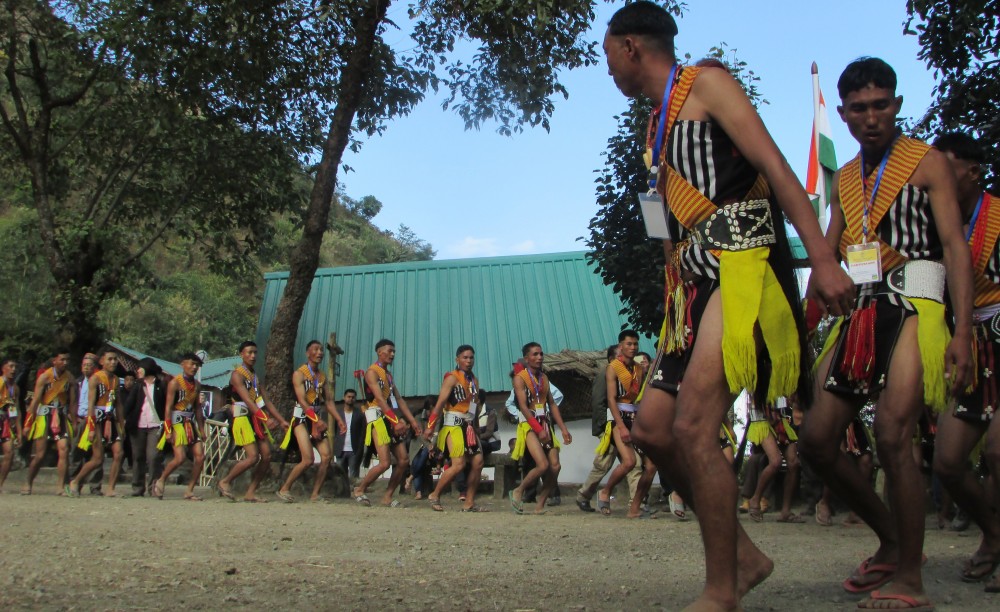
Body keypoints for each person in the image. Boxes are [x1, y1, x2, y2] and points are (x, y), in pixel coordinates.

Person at [603, 3, 854, 608]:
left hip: (741, 268)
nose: (607, 67)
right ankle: (743, 555)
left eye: (608, 53)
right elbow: (662, 213)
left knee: (692, 426)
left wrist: (821, 257)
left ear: (631, 45)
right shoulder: (654, 129)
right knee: (656, 431)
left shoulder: (709, 83)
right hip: (689, 287)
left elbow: (776, 166)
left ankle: (722, 590)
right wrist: (663, 245)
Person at [799, 58, 973, 610]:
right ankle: (893, 541)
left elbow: (956, 250)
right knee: (817, 441)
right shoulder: (845, 178)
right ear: (845, 115)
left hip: (919, 304)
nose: (872, 117)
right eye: (860, 108)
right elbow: (828, 248)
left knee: (895, 435)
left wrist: (962, 333)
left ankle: (911, 580)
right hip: (861, 312)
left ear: (897, 104)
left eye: (882, 105)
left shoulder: (928, 165)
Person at [929, 132, 1000, 587]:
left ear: (972, 171)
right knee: (948, 462)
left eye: (946, 166)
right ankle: (994, 537)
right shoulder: (937, 223)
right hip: (970, 342)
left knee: (997, 452)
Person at [216, 341, 289, 503]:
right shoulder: (237, 375)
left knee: (267, 456)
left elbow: (265, 401)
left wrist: (281, 420)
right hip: (242, 419)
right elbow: (248, 401)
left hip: (255, 419)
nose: (253, 356)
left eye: (255, 352)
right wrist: (266, 418)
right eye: (249, 352)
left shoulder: (255, 377)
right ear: (241, 354)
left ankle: (250, 492)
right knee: (252, 457)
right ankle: (225, 481)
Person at [352, 339, 422, 508]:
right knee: (384, 462)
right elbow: (380, 400)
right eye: (389, 351)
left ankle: (388, 496)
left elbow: (398, 399)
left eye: (394, 351)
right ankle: (359, 489)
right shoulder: (372, 372)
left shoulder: (388, 376)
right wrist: (395, 420)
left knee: (403, 460)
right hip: (378, 419)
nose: (392, 354)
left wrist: (413, 422)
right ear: (379, 352)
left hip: (389, 419)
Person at [277, 340, 347, 503]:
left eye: (321, 350)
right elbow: (302, 400)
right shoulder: (299, 374)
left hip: (316, 417)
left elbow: (328, 401)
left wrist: (339, 419)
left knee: (326, 456)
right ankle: (285, 488)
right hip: (302, 419)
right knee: (308, 459)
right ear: (308, 353)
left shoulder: (322, 376)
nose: (320, 352)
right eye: (315, 349)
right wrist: (315, 420)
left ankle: (315, 494)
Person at [595, 330, 655, 518]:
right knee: (629, 462)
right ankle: (605, 492)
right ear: (621, 346)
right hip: (618, 418)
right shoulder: (613, 367)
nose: (633, 347)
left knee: (652, 466)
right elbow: (611, 399)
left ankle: (635, 507)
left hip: (636, 418)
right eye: (629, 344)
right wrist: (620, 426)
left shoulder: (638, 368)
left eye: (635, 344)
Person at [422, 345, 489, 512]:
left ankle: (469, 502)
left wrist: (474, 425)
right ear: (457, 359)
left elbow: (474, 404)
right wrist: (430, 426)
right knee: (458, 464)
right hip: (453, 424)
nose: (469, 361)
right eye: (465, 357)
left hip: (468, 425)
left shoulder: (474, 380)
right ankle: (435, 494)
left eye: (471, 357)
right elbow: (439, 404)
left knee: (478, 462)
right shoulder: (452, 378)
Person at [509, 342, 572, 514]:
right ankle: (519, 490)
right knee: (542, 465)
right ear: (527, 358)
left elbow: (551, 404)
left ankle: (540, 504)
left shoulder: (544, 378)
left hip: (545, 423)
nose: (539, 357)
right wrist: (538, 429)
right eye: (535, 354)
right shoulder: (520, 378)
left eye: (541, 354)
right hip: (529, 426)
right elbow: (523, 407)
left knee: (555, 466)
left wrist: (563, 428)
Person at [577, 345, 642, 512]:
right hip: (609, 426)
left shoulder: (631, 376)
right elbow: (599, 402)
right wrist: (602, 428)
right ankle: (584, 494)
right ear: (612, 359)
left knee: (634, 465)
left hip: (626, 424)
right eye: (620, 356)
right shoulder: (605, 374)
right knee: (603, 464)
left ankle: (637, 503)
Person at [69, 349, 126, 497]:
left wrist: (121, 424)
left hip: (110, 420)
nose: (113, 362)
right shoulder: (96, 379)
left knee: (119, 453)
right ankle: (75, 481)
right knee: (97, 458)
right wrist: (91, 427)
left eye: (115, 359)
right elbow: (90, 405)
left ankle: (110, 488)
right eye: (110, 359)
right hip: (97, 420)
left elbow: (118, 404)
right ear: (102, 362)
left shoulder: (115, 379)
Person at [152, 353, 206, 501]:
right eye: (191, 364)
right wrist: (169, 430)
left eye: (197, 365)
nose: (194, 367)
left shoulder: (197, 385)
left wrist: (201, 428)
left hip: (191, 424)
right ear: (183, 364)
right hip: (177, 424)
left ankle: (189, 490)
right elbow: (168, 408)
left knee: (200, 457)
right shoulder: (175, 383)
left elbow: (197, 409)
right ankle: (162, 479)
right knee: (180, 457)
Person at [744, 397, 803, 523]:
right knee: (775, 461)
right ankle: (755, 499)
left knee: (794, 463)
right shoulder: (759, 377)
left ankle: (785, 511)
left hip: (780, 418)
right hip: (761, 419)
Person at [23, 349, 72, 495]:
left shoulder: (69, 378)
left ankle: (60, 486)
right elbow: (35, 402)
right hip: (45, 416)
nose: (65, 363)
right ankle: (28, 482)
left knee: (64, 450)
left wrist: (74, 420)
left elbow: (73, 401)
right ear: (55, 361)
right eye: (62, 359)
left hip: (61, 416)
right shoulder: (45, 377)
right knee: (40, 455)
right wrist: (28, 424)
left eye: (67, 360)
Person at [123, 357, 166, 497]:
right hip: (138, 425)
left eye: (140, 368)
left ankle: (153, 487)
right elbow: (129, 404)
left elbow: (166, 406)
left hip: (155, 425)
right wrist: (123, 419)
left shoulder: (161, 385)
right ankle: (137, 487)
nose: (138, 371)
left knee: (153, 457)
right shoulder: (137, 385)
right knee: (138, 457)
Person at [0, 358, 21, 492]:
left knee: (10, 453)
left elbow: (16, 410)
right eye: (11, 366)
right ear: (3, 368)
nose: (13, 370)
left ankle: (0, 484)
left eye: (15, 367)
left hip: (6, 422)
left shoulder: (15, 388)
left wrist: (19, 432)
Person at [334, 389, 365, 481]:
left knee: (353, 476)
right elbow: (333, 430)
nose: (350, 399)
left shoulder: (359, 414)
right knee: (340, 475)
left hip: (354, 450)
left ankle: (354, 493)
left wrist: (360, 448)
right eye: (348, 397)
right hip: (340, 449)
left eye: (353, 397)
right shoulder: (338, 414)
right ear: (344, 398)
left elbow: (363, 432)